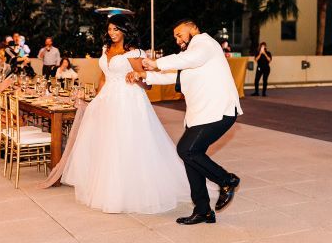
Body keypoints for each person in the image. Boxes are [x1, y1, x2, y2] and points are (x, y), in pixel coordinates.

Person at [61, 15, 190, 214]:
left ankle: (131, 191)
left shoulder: (134, 52)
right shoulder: (106, 49)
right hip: (107, 99)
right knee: (106, 144)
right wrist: (97, 99)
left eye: (116, 29)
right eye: (110, 29)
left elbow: (147, 83)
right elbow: (103, 76)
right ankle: (107, 189)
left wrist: (135, 77)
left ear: (125, 30)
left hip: (128, 100)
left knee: (127, 144)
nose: (112, 33)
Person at [131, 19, 243, 225]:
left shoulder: (204, 43)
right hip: (201, 114)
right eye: (175, 37)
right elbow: (174, 77)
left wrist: (156, 63)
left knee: (186, 150)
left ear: (193, 29)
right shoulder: (189, 56)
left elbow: (187, 60)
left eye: (180, 34)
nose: (177, 39)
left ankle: (227, 180)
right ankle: (203, 210)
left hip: (219, 110)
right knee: (192, 158)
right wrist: (145, 75)